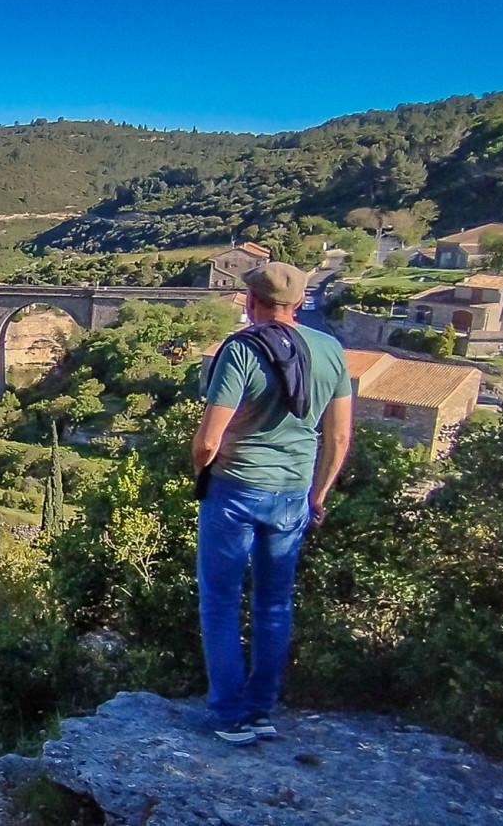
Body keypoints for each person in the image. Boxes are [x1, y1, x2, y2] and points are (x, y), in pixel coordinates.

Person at [192, 262, 353, 746]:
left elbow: (207, 440)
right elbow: (340, 436)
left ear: (250, 302)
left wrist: (203, 476)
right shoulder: (331, 350)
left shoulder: (241, 350)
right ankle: (261, 710)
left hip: (235, 490)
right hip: (292, 497)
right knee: (274, 604)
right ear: (301, 302)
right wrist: (317, 495)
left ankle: (229, 714)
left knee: (220, 603)